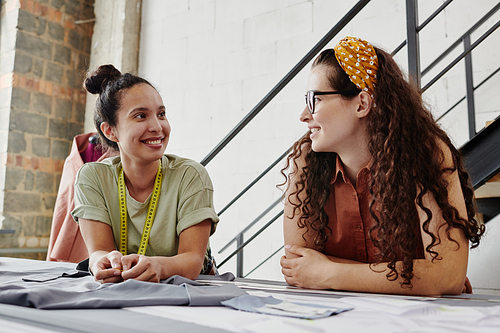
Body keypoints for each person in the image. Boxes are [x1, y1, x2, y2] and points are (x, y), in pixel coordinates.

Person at [279, 36, 484, 296]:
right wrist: (417, 277)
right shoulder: (304, 164)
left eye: (315, 99)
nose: (304, 115)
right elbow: (298, 269)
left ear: (361, 104)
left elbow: (447, 276)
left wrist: (329, 272)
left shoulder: (426, 155)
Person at [72, 65, 219, 283]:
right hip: (124, 291)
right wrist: (102, 262)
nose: (157, 126)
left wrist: (158, 266)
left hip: (189, 292)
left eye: (161, 114)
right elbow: (99, 252)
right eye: (141, 116)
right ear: (110, 130)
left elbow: (192, 262)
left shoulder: (191, 176)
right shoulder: (92, 177)